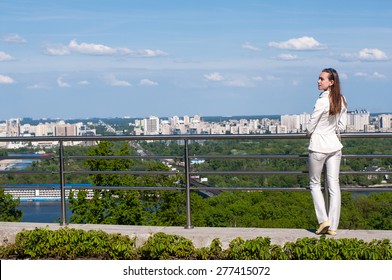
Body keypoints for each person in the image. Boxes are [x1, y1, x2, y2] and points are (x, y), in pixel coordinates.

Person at [306, 68, 347, 236]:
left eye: (322, 79)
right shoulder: (341, 100)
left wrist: (310, 132)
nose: (318, 81)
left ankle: (323, 220)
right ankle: (333, 226)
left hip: (318, 147)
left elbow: (310, 126)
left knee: (315, 183)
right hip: (335, 146)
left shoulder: (322, 101)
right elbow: (342, 126)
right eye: (318, 78)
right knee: (333, 186)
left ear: (331, 82)